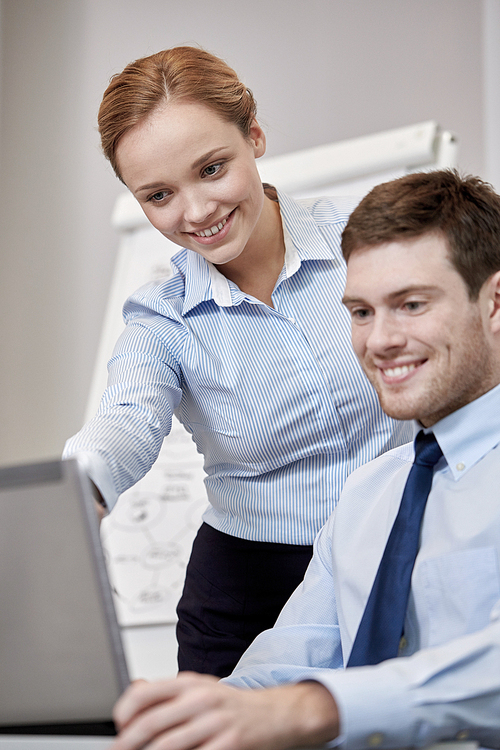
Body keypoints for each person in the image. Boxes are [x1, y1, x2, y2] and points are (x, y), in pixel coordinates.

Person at [108, 169, 500, 750]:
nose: (380, 340)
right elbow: (291, 660)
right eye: (362, 312)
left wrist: (317, 708)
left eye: (411, 304)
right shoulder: (371, 493)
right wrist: (195, 713)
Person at [63, 46, 410, 676]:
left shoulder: (371, 244)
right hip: (249, 591)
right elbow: (126, 422)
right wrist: (74, 492)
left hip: (398, 550)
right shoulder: (163, 318)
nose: (196, 212)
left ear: (255, 135)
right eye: (160, 194)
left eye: (213, 168)